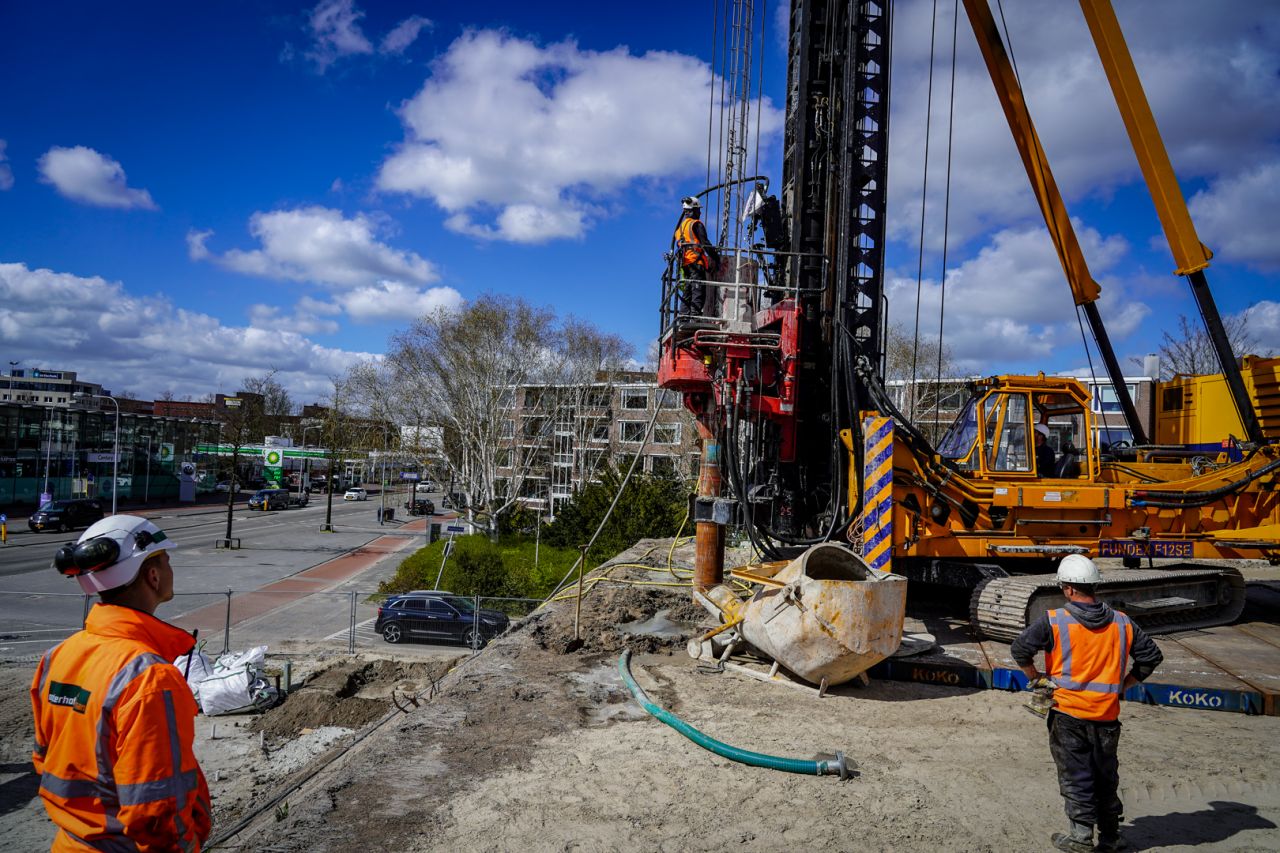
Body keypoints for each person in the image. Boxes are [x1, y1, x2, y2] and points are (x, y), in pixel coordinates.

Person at [31, 515, 211, 852]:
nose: (172, 569)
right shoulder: (150, 679)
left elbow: (45, 758)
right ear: (152, 576)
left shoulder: (57, 657)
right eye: (167, 560)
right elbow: (157, 815)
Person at [1011, 554, 1163, 853]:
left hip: (1068, 714)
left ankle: (1081, 837)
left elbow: (1020, 649)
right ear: (1094, 587)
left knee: (1076, 774)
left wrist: (1037, 679)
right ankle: (1110, 836)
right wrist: (1124, 685)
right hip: (1106, 716)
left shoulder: (1055, 621)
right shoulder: (1122, 622)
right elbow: (1151, 657)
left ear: (1068, 589)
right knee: (1105, 775)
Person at [673, 196, 720, 317]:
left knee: (687, 291)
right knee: (698, 290)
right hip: (695, 262)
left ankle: (683, 316)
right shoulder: (696, 224)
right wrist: (716, 258)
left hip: (685, 264)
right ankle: (694, 316)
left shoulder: (680, 229)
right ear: (693, 210)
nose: (700, 212)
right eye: (698, 210)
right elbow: (705, 244)